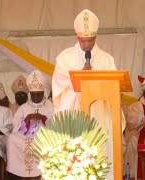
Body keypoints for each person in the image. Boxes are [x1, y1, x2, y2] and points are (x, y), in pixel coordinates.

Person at [52, 9, 124, 179]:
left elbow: (115, 85)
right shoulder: (65, 57)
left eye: (90, 41)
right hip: (73, 116)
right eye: (83, 41)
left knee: (99, 157)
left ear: (96, 37)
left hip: (98, 117)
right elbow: (58, 85)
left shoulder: (106, 59)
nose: (86, 45)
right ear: (77, 37)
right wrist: (79, 77)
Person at [6, 70, 54, 179]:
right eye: (33, 94)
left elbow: (57, 122)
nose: (36, 97)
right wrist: (25, 121)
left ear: (43, 93)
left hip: (44, 135)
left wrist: (43, 118)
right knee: (12, 139)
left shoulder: (50, 106)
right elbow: (16, 124)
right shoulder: (24, 107)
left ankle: (44, 172)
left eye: (39, 94)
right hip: (26, 134)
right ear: (30, 93)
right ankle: (17, 172)